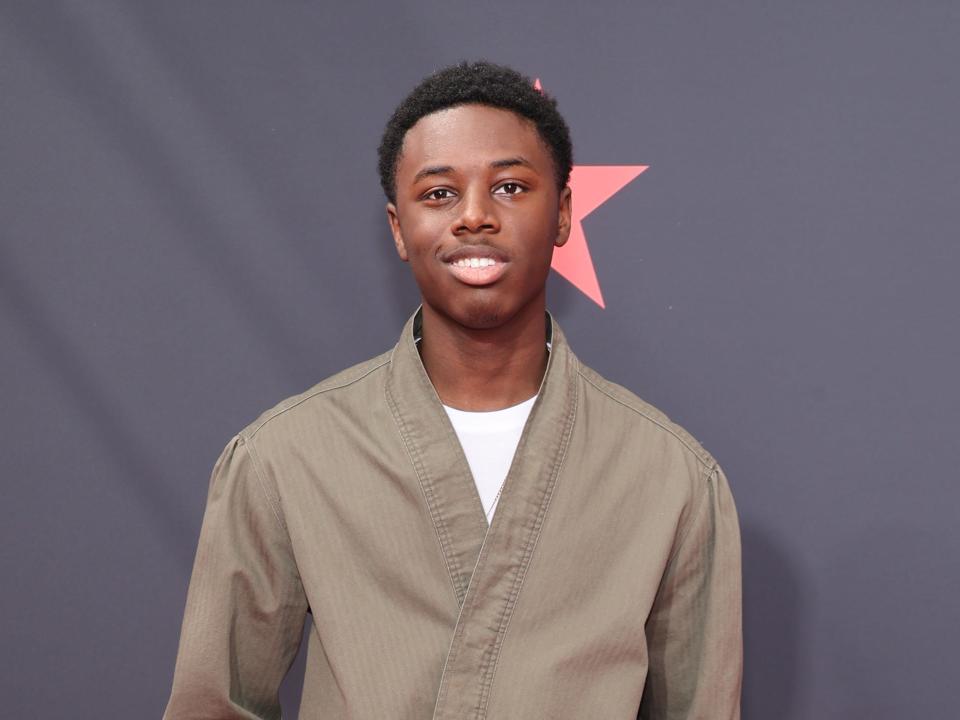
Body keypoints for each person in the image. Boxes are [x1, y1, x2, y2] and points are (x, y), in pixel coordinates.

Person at [163, 60, 742, 720]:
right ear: (397, 228)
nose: (473, 217)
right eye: (438, 194)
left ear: (562, 214)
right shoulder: (283, 458)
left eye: (511, 187)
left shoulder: (669, 476)